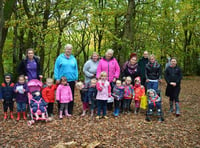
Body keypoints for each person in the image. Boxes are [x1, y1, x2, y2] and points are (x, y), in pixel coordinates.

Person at [54, 44, 78, 114]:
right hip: (62, 80)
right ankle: (61, 110)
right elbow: (56, 68)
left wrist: (76, 78)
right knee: (61, 95)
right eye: (67, 49)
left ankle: (69, 110)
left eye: (70, 49)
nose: (68, 50)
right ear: (65, 49)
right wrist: (57, 77)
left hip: (71, 80)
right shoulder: (60, 58)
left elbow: (75, 69)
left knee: (70, 95)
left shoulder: (73, 58)